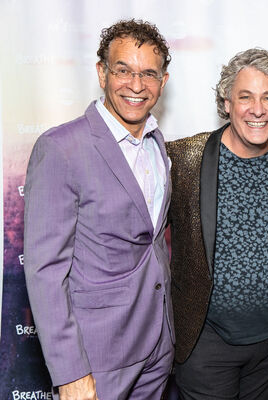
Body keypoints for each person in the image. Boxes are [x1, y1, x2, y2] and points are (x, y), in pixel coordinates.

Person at [23, 19, 173, 400]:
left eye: (148, 74)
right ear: (102, 73)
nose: (136, 85)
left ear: (163, 81)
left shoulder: (158, 143)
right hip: (97, 355)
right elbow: (45, 269)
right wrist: (71, 370)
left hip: (157, 347)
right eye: (123, 70)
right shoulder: (61, 148)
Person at [166, 48, 268, 400]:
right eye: (246, 97)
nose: (257, 109)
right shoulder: (183, 159)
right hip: (205, 344)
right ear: (227, 102)